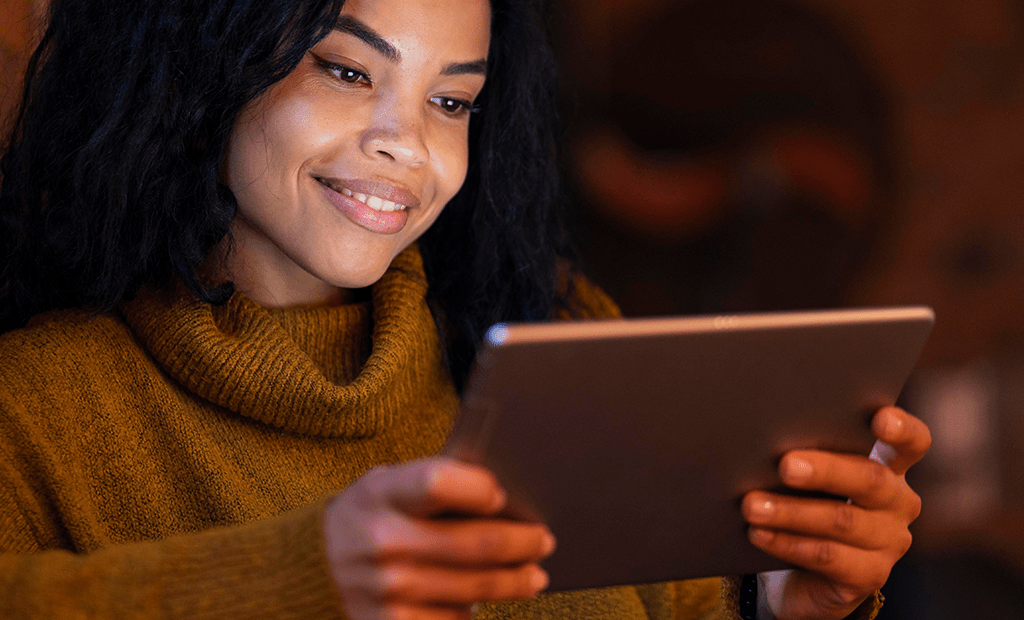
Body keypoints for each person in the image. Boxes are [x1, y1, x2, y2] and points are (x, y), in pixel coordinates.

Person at [0, 0, 930, 619]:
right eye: (348, 72)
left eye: (451, 99)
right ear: (203, 65)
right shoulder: (38, 409)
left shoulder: (563, 338)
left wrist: (780, 603)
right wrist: (296, 581)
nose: (407, 146)